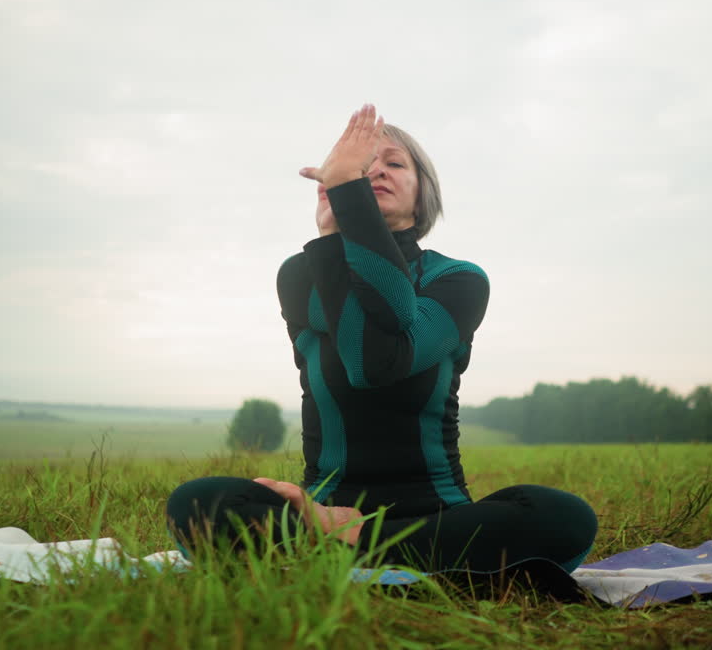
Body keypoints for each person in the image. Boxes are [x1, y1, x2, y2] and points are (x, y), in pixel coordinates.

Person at [166, 104, 597, 574]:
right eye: (357, 170)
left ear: (422, 193)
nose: (373, 173)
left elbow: (376, 362)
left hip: (437, 514)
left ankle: (346, 542)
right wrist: (334, 236)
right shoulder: (301, 274)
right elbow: (365, 339)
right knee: (196, 502)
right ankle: (395, 552)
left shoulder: (458, 279)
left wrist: (347, 209)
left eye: (392, 163)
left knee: (563, 516)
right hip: (321, 506)